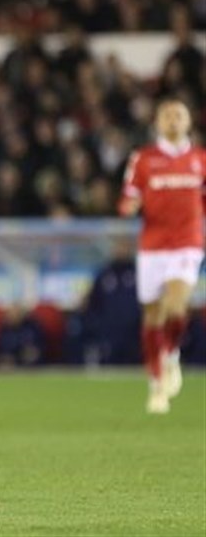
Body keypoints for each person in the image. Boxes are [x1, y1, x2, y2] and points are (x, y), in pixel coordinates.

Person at [118, 98, 206, 414]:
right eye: (167, 115)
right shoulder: (143, 159)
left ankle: (171, 354)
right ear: (157, 122)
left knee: (176, 305)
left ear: (188, 122)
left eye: (179, 115)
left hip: (187, 243)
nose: (173, 120)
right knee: (153, 316)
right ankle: (156, 384)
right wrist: (129, 207)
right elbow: (127, 197)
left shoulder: (200, 159)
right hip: (153, 246)